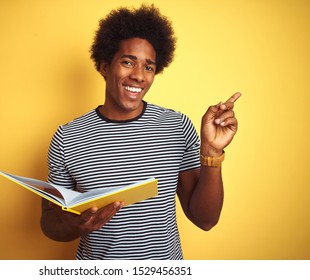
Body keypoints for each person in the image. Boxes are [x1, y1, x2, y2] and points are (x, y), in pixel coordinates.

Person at [40, 4, 240, 260]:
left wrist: (212, 152)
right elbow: (49, 220)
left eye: (148, 67)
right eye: (127, 62)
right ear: (104, 67)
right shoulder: (68, 137)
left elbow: (206, 219)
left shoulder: (177, 126)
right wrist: (75, 226)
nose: (138, 76)